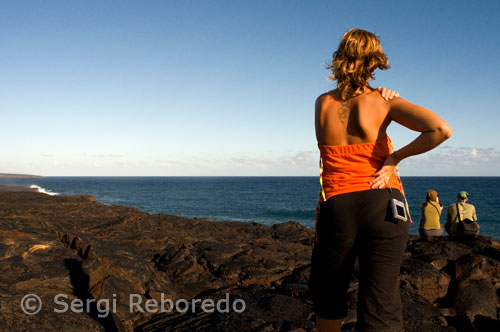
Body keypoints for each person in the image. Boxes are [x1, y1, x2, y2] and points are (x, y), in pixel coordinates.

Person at [308, 28, 452, 332]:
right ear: (374, 62)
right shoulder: (383, 101)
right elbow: (440, 129)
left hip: (337, 205)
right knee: (381, 300)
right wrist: (394, 158)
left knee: (330, 294)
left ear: (340, 58)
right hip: (382, 201)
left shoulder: (321, 103)